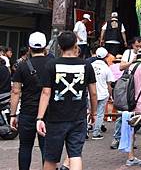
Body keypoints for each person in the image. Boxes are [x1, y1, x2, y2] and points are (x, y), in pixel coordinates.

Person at [36, 30, 97, 170]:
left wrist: (40, 118)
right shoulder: (86, 65)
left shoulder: (51, 65)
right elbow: (93, 93)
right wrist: (94, 113)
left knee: (51, 157)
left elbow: (46, 93)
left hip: (55, 118)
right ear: (76, 45)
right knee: (75, 155)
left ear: (59, 47)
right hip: (78, 117)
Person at [9, 32, 51, 170]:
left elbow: (16, 91)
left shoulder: (22, 65)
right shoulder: (52, 64)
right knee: (47, 147)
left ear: (29, 47)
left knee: (25, 146)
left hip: (27, 111)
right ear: (45, 47)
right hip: (48, 113)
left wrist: (13, 114)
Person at [111, 36, 141, 149]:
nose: (139, 48)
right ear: (132, 45)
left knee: (135, 114)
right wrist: (133, 61)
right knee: (123, 113)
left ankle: (130, 140)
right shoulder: (128, 53)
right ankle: (117, 138)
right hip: (128, 87)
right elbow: (121, 67)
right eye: (137, 46)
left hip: (139, 88)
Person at [90, 47, 115, 140]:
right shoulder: (106, 68)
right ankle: (96, 132)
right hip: (103, 93)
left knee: (89, 112)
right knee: (100, 113)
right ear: (106, 56)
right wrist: (111, 95)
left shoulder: (90, 65)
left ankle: (85, 131)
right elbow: (109, 84)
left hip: (90, 93)